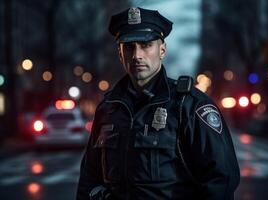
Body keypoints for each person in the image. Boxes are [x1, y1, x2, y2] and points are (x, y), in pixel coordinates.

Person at [76, 7, 240, 200]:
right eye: (129, 47)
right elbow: (89, 178)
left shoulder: (188, 106)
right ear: (120, 54)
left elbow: (221, 180)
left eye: (146, 45)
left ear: (162, 50)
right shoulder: (109, 108)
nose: (137, 55)